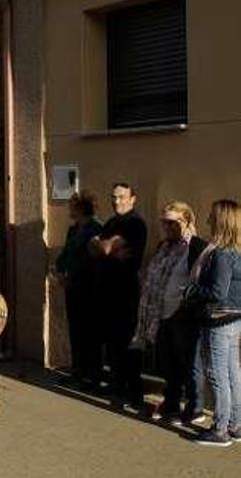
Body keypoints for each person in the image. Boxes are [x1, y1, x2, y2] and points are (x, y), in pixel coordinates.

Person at [130, 202, 207, 423]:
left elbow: (201, 281)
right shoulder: (164, 246)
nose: (168, 227)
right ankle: (171, 403)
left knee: (188, 363)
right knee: (167, 364)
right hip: (160, 314)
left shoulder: (196, 247)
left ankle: (195, 408)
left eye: (173, 222)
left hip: (183, 315)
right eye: (165, 222)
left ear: (187, 221)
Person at [187, 200, 241, 446]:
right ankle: (235, 424)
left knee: (219, 375)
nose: (208, 219)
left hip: (220, 319)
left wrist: (192, 290)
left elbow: (217, 292)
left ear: (221, 221)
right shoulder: (237, 251)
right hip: (234, 317)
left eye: (211, 216)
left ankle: (220, 430)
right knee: (232, 372)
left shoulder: (222, 252)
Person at [89, 183, 147, 406]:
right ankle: (116, 385)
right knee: (112, 342)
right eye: (114, 197)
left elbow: (102, 249)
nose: (116, 201)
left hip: (125, 292)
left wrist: (102, 245)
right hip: (106, 291)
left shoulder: (135, 223)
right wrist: (105, 245)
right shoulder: (112, 222)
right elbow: (95, 248)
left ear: (133, 198)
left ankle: (133, 393)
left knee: (127, 342)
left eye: (122, 197)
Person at [55, 191, 103, 387]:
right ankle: (78, 370)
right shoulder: (73, 230)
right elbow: (66, 253)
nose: (70, 210)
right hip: (73, 285)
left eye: (72, 206)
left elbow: (93, 259)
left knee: (90, 331)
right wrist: (60, 270)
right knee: (75, 329)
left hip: (89, 287)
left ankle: (93, 373)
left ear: (81, 208)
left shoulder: (96, 228)